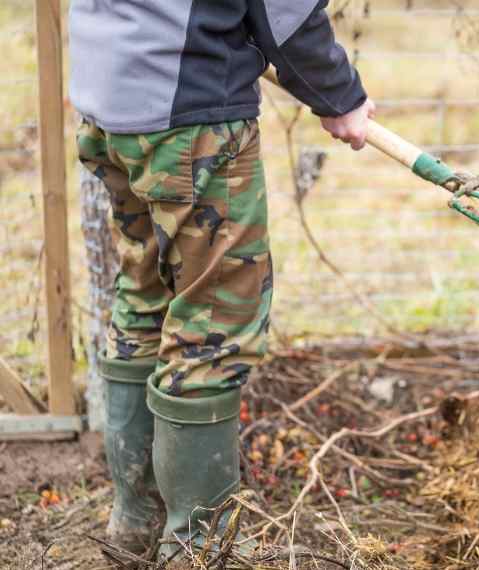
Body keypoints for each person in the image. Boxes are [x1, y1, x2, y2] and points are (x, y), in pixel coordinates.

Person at [69, 0, 374, 561]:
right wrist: (341, 97)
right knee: (211, 321)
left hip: (107, 105)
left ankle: (135, 523)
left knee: (145, 296)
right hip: (189, 118)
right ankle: (198, 548)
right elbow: (285, 14)